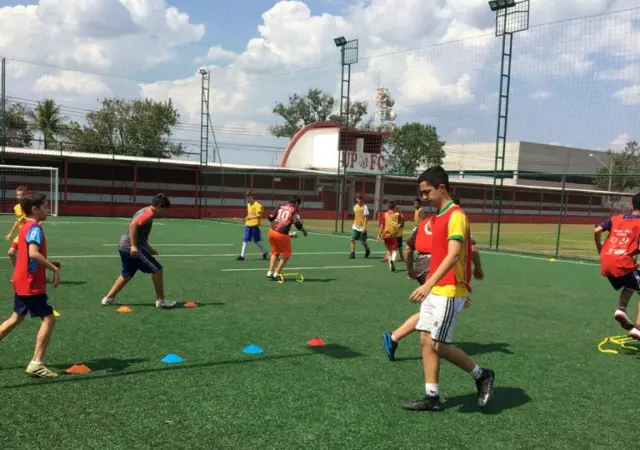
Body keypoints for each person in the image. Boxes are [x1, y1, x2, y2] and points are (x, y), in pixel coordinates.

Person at [402, 166, 494, 412]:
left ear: (441, 188)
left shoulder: (456, 215)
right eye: (421, 193)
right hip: (437, 290)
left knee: (439, 345)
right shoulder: (438, 216)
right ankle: (432, 397)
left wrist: (432, 284)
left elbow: (454, 256)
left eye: (427, 192)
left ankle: (481, 375)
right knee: (424, 340)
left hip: (448, 289)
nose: (424, 197)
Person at [382, 196, 484, 361]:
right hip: (438, 268)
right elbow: (471, 248)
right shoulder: (454, 219)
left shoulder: (426, 222)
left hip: (421, 265)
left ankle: (395, 338)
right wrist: (478, 268)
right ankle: (395, 336)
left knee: (430, 308)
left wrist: (410, 270)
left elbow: (408, 249)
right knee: (440, 306)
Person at [0, 191, 60, 378]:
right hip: (30, 283)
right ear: (35, 209)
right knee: (49, 318)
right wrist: (54, 269)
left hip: (22, 280)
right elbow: (33, 253)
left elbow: (15, 253)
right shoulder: (34, 228)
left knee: (16, 318)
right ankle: (36, 363)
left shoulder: (23, 225)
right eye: (45, 206)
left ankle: (37, 363)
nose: (48, 208)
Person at [101, 193, 177, 309]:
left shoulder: (145, 210)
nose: (165, 213)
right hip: (130, 247)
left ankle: (109, 298)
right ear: (159, 207)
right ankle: (161, 300)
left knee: (127, 273)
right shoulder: (148, 214)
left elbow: (140, 235)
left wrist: (149, 249)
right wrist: (134, 246)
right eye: (165, 210)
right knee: (157, 269)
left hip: (124, 245)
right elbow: (133, 225)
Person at [594, 192, 640, 340]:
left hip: (606, 262)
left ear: (632, 205)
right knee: (634, 280)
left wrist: (600, 249)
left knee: (632, 283)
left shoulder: (616, 219)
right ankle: (638, 329)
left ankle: (621, 309)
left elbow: (597, 229)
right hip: (622, 263)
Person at [266, 196, 308, 280]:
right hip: (281, 234)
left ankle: (270, 272)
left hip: (271, 231)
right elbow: (297, 224)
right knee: (287, 253)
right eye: (298, 205)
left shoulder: (280, 206)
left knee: (275, 252)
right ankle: (277, 273)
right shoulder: (294, 210)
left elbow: (270, 217)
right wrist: (304, 231)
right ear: (296, 203)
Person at [237, 192, 269, 261]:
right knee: (245, 239)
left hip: (255, 225)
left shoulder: (258, 205)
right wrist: (246, 218)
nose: (248, 199)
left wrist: (250, 218)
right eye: (247, 198)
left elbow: (258, 215)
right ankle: (242, 256)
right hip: (248, 225)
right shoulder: (248, 204)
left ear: (252, 197)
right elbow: (249, 214)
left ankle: (265, 252)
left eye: (249, 198)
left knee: (257, 241)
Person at [5, 185, 27, 268]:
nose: (20, 197)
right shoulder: (16, 207)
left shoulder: (31, 206)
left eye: (22, 195)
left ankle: (43, 274)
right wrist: (10, 233)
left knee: (31, 256)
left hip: (29, 234)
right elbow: (17, 221)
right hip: (21, 234)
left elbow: (37, 220)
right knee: (11, 253)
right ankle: (18, 272)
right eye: (18, 195)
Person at [377, 200, 401, 272]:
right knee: (394, 250)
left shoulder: (384, 214)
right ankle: (392, 261)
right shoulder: (397, 214)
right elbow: (401, 220)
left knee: (389, 250)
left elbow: (382, 225)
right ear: (394, 206)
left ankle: (391, 266)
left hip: (385, 235)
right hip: (393, 235)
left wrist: (378, 235)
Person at [349, 193, 371, 259]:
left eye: (361, 199)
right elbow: (356, 216)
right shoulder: (355, 207)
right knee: (352, 239)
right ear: (356, 199)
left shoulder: (365, 207)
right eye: (358, 199)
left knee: (363, 241)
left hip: (362, 227)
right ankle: (352, 253)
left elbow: (366, 217)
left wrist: (364, 227)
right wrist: (353, 224)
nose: (360, 200)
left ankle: (367, 250)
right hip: (355, 226)